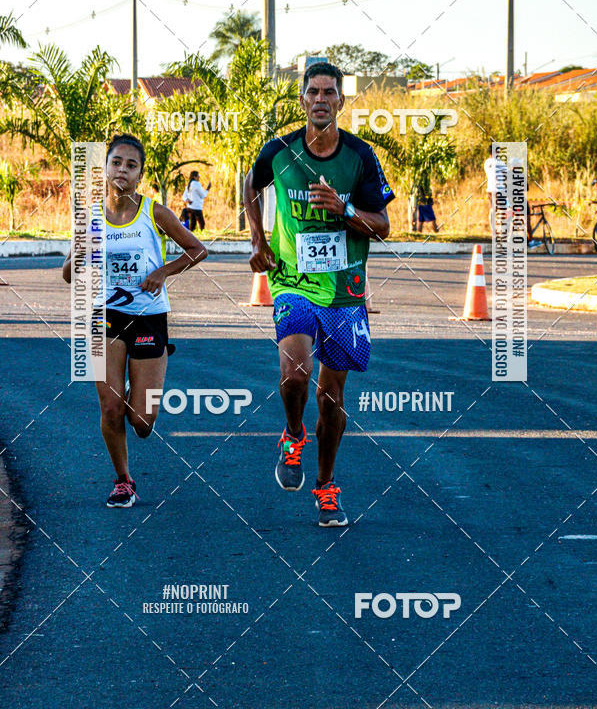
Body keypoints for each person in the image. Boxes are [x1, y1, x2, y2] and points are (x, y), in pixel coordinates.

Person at [243, 62, 395, 527]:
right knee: (295, 370)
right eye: (314, 92)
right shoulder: (280, 151)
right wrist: (258, 240)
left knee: (332, 399)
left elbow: (384, 227)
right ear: (303, 100)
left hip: (346, 291)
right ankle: (292, 435)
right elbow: (251, 185)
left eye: (331, 92)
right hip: (293, 282)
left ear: (342, 101)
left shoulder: (360, 157)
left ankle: (326, 486)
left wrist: (344, 208)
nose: (322, 99)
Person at [63, 134, 207, 508]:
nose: (122, 170)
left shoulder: (154, 213)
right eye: (116, 163)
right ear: (105, 168)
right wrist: (81, 255)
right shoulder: (89, 216)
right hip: (103, 316)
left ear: (140, 174)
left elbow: (197, 249)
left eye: (131, 165)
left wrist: (162, 271)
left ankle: (135, 390)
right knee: (110, 408)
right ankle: (123, 480)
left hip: (148, 316)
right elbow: (67, 274)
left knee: (142, 423)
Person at [484, 143, 508, 233]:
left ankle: (493, 230)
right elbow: (507, 173)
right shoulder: (499, 162)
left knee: (492, 210)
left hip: (490, 189)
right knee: (502, 210)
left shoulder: (486, 163)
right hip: (499, 189)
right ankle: (501, 230)